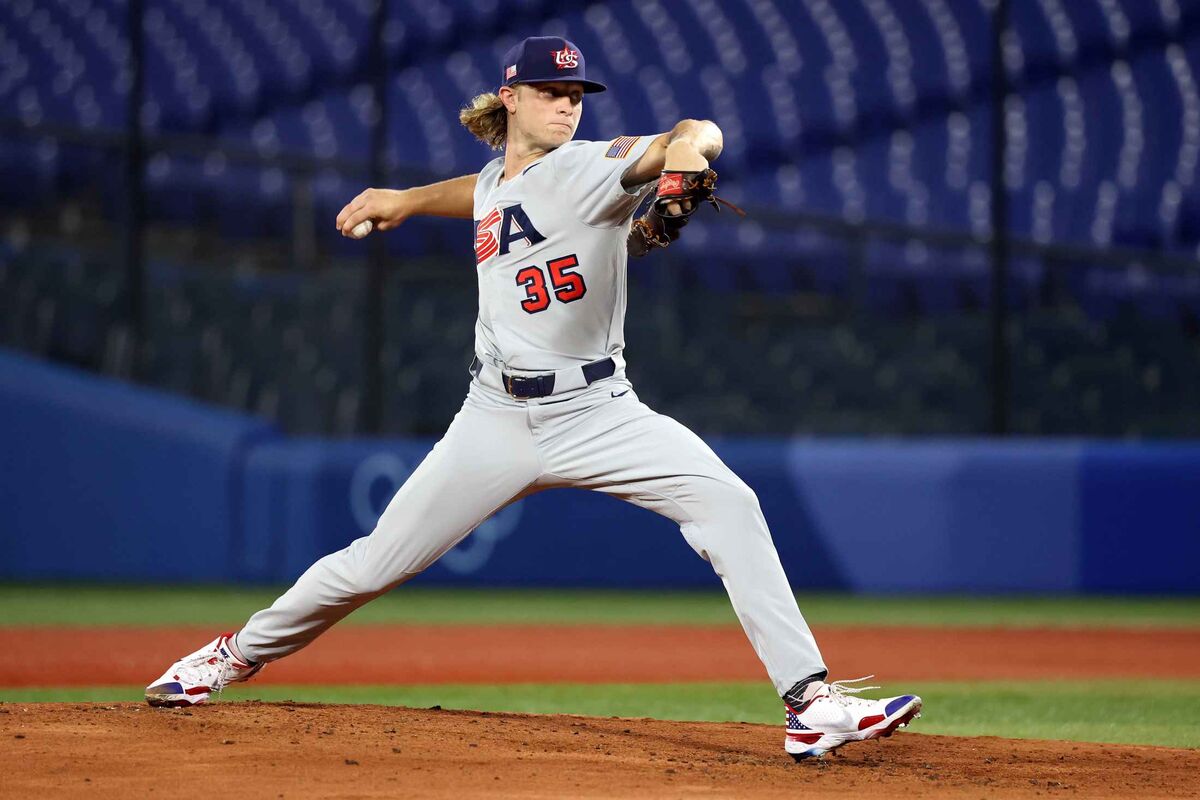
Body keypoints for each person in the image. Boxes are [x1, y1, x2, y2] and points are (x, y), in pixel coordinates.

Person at [145, 36, 921, 760]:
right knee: (372, 564)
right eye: (551, 90)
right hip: (495, 416)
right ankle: (228, 656)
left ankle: (808, 704)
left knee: (729, 504)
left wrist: (687, 156)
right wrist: (408, 200)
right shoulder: (497, 179)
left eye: (576, 92)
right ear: (510, 98)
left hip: (600, 411)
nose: (567, 103)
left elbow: (692, 135)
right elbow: (484, 197)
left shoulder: (589, 165)